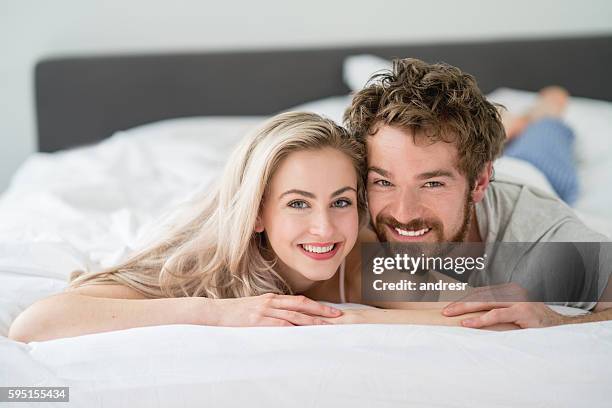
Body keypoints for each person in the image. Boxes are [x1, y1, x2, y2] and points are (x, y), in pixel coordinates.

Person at [9, 111, 506, 343]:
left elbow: (489, 309)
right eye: (297, 203)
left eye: (341, 202)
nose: (323, 228)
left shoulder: (358, 262)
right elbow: (36, 323)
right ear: (257, 214)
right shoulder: (202, 266)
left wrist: (354, 317)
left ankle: (537, 120)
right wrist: (217, 314)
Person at [339, 58, 612, 329]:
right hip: (475, 162)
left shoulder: (544, 242)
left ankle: (546, 109)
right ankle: (508, 124)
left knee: (544, 134)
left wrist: (555, 321)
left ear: (480, 183)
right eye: (384, 182)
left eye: (433, 184)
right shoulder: (346, 203)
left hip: (534, 170)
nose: (403, 214)